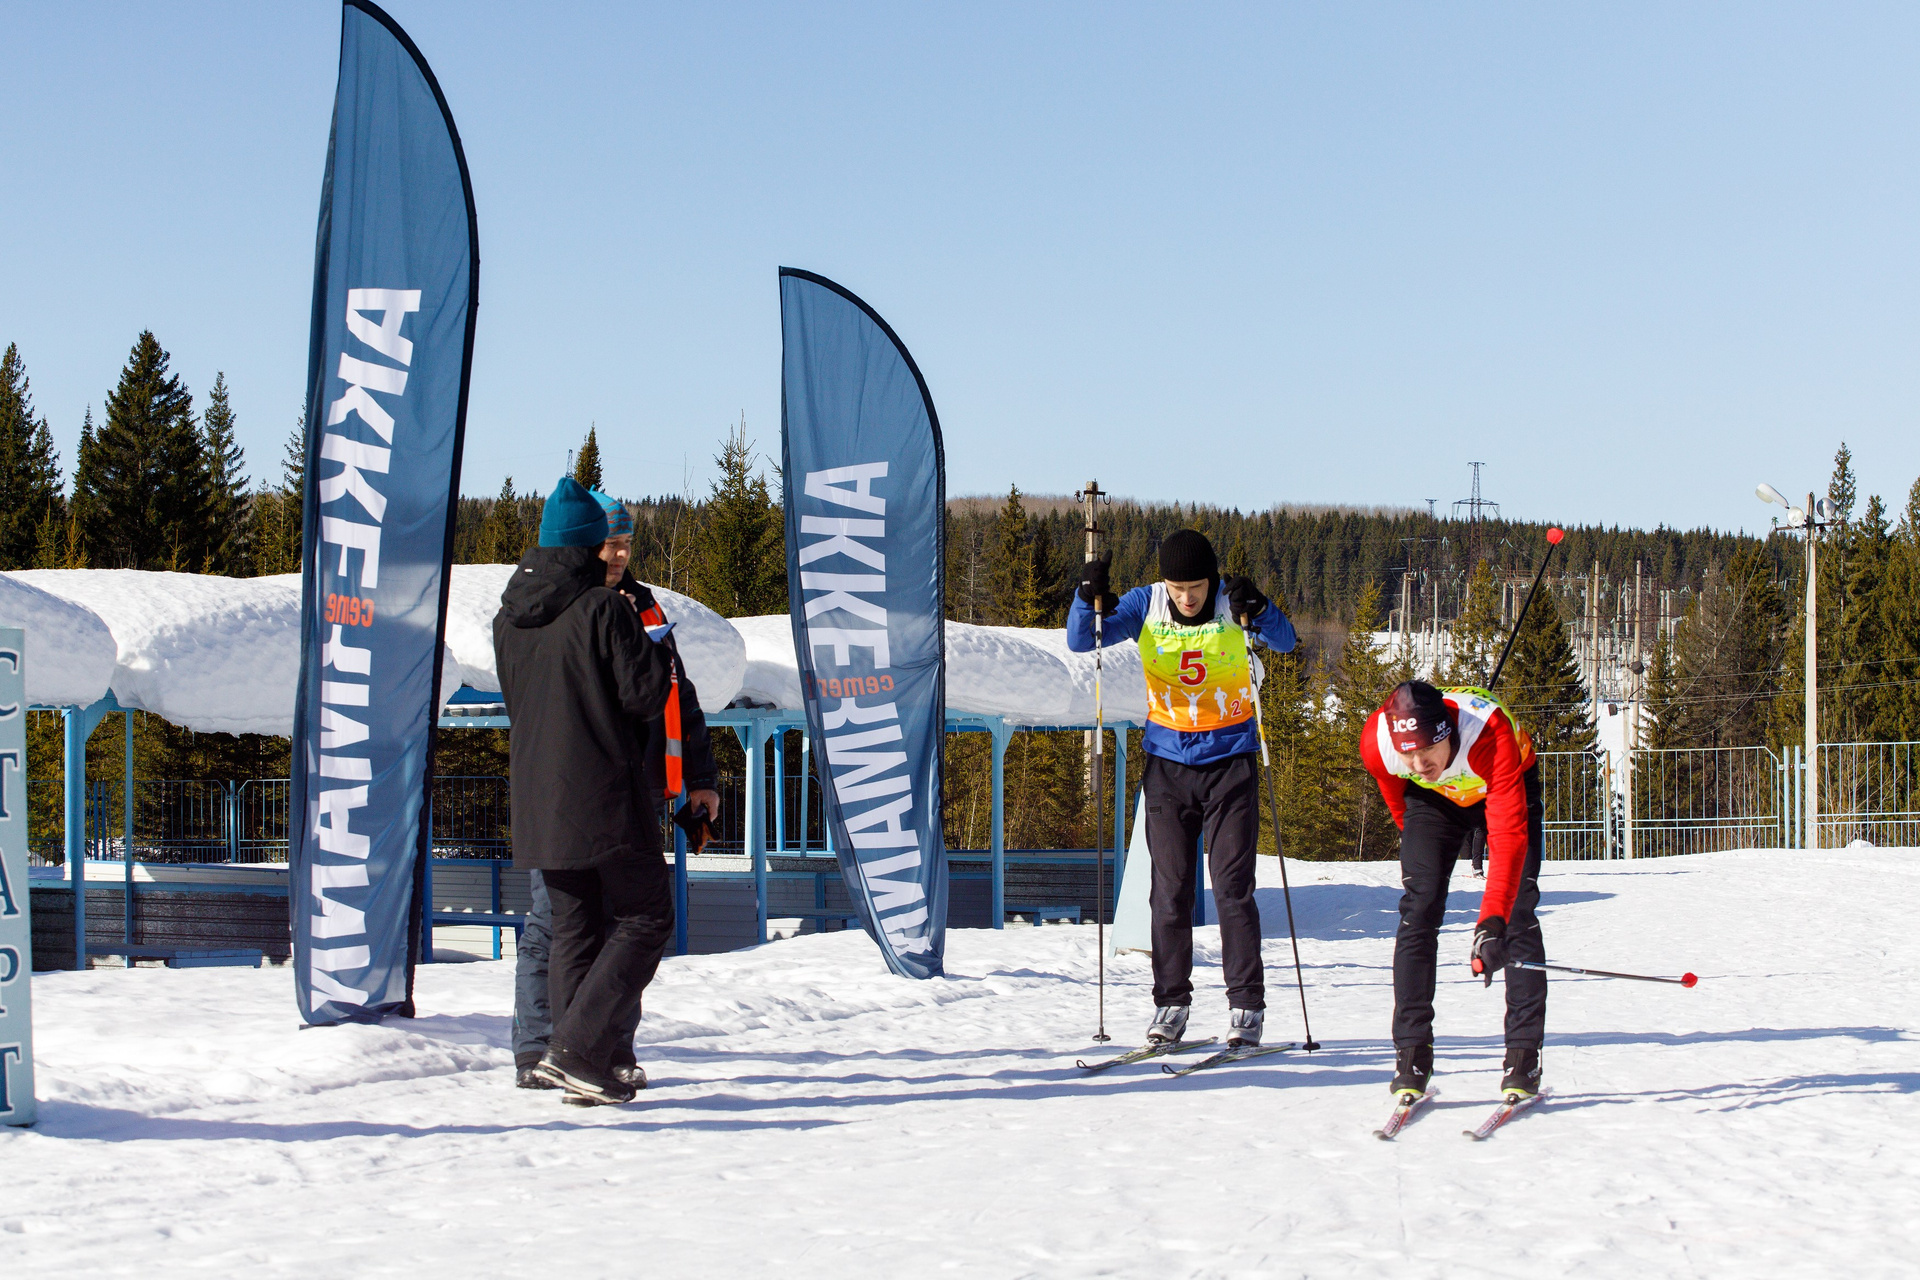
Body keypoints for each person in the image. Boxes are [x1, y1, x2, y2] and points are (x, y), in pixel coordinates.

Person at [512, 489, 722, 1095]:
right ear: (582, 545)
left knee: (599, 927)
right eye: (609, 543)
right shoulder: (562, 608)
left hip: (627, 789)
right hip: (586, 788)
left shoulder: (642, 605)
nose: (620, 554)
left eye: (627, 543)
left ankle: (601, 1051)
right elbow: (638, 691)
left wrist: (700, 779)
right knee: (565, 923)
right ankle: (544, 1047)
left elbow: (677, 696)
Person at [1067, 529, 1297, 1048]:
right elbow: (1083, 641)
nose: (1187, 598)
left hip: (1230, 764)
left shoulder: (1231, 603)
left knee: (1233, 889)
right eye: (1177, 588)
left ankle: (1246, 1007)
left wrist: (1260, 608)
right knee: (1168, 893)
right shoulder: (1145, 603)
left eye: (1195, 587)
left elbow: (1286, 641)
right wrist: (1085, 596)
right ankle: (1171, 1003)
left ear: (1210, 580)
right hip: (1168, 766)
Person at [493, 477, 676, 1105]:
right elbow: (645, 695)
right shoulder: (604, 609)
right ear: (587, 545)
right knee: (646, 917)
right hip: (603, 793)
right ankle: (576, 1050)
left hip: (538, 800)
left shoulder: (509, 619)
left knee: (573, 929)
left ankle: (572, 1062)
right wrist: (652, 652)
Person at [1358, 680, 1547, 1102]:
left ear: (1447, 734)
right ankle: (1412, 1053)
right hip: (1435, 799)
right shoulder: (1377, 744)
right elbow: (1399, 802)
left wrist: (1490, 923)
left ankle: (1523, 1055)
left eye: (1427, 749)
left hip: (1505, 781)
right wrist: (1424, 858)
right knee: (1419, 906)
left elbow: (1508, 840)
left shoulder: (1488, 734)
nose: (1418, 762)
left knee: (1517, 910)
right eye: (1408, 753)